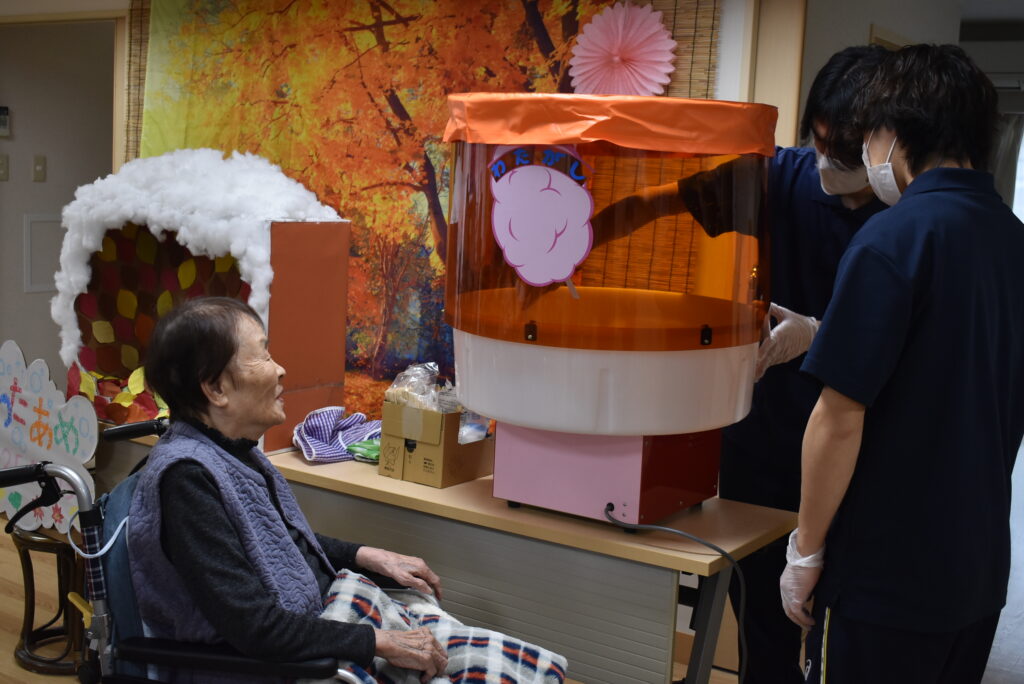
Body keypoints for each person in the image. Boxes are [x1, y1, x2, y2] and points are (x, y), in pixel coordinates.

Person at [587, 45, 888, 682]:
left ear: (881, 143)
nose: (827, 162)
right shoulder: (779, 176)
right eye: (818, 141)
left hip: (859, 439)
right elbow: (655, 204)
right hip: (767, 433)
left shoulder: (904, 214)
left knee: (845, 622)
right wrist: (574, 242)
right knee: (764, 621)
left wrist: (821, 333)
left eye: (843, 152)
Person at [129, 297, 565, 683]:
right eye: (263, 356)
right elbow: (256, 628)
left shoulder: (232, 452)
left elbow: (271, 543)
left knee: (530, 667)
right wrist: (379, 642)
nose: (280, 368)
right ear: (215, 388)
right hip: (279, 665)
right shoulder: (187, 479)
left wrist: (365, 555)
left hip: (327, 616)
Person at [781, 44, 1024, 683]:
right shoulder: (1011, 238)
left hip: (884, 581)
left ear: (895, 132)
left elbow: (838, 419)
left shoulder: (894, 238)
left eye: (870, 134)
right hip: (976, 572)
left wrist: (805, 551)